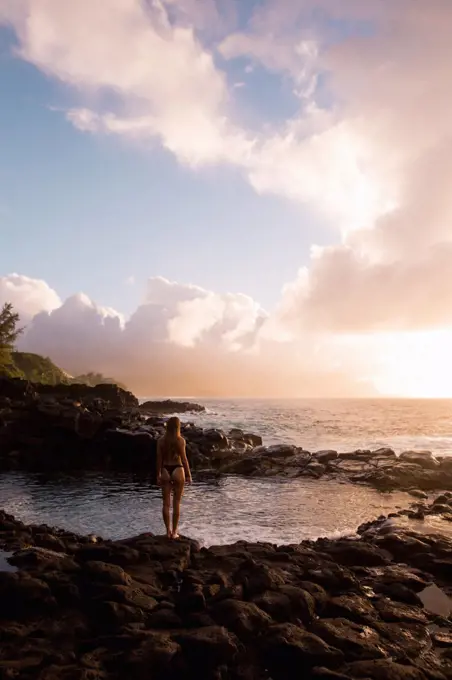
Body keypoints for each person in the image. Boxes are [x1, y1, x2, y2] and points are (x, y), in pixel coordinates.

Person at [156, 416, 192, 539]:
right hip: (178, 469)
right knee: (176, 503)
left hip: (165, 469)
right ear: (177, 427)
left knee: (166, 504)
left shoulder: (161, 441)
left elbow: (159, 460)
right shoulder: (180, 440)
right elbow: (184, 459)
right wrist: (188, 475)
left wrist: (158, 474)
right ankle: (175, 533)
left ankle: (167, 532)